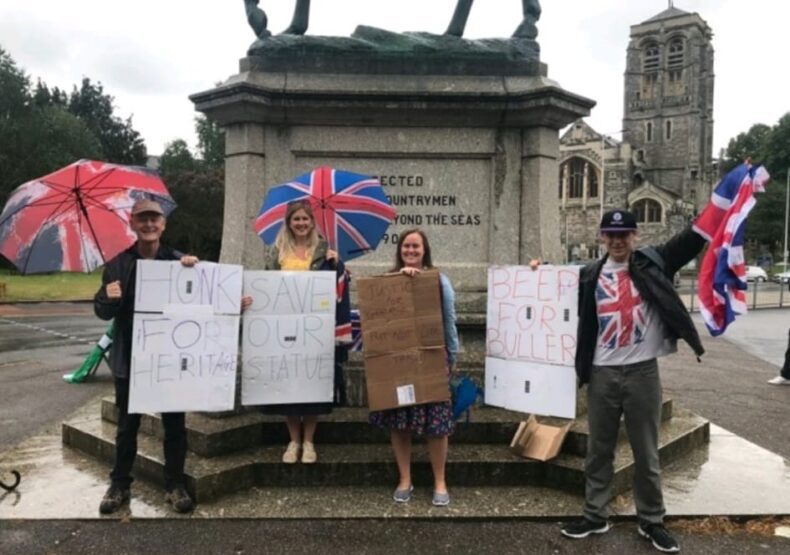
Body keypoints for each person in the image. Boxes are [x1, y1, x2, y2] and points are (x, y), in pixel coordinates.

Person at [560, 210, 707, 554]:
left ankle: (652, 520)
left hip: (642, 372)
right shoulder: (589, 275)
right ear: (602, 237)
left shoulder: (653, 264)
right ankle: (595, 515)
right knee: (599, 450)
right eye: (611, 234)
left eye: (623, 234)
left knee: (646, 451)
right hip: (602, 373)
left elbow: (692, 240)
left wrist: (719, 206)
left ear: (634, 236)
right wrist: (535, 269)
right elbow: (546, 291)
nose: (617, 240)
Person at [94, 199, 199, 515]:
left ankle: (175, 484)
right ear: (133, 223)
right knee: (127, 426)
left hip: (169, 358)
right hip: (132, 358)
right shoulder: (117, 264)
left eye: (154, 219)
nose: (149, 224)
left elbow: (201, 300)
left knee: (175, 426)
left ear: (163, 224)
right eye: (143, 219)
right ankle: (119, 485)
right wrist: (107, 297)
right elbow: (102, 312)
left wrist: (198, 273)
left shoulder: (179, 261)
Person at [368, 229, 460, 507]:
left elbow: (449, 319)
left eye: (415, 246)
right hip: (398, 362)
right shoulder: (387, 282)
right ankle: (405, 478)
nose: (410, 250)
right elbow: (377, 322)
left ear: (424, 250)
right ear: (400, 250)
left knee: (438, 425)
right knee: (399, 423)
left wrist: (452, 355)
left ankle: (440, 481)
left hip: (431, 360)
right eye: (406, 246)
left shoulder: (440, 281)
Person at [255, 200, 351, 464]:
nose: (301, 224)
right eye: (296, 219)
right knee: (289, 385)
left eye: (305, 219)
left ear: (312, 222)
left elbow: (338, 289)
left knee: (313, 384)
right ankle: (293, 439)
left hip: (314, 329)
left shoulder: (324, 252)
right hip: (284, 327)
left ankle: (308, 440)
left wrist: (338, 265)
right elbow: (266, 287)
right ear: (288, 222)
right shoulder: (275, 253)